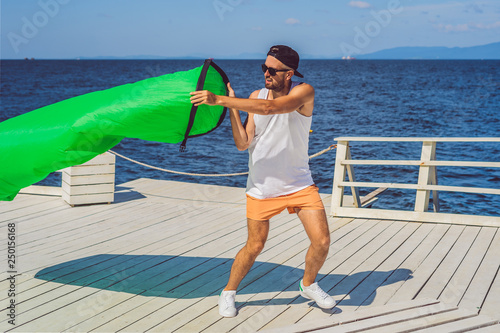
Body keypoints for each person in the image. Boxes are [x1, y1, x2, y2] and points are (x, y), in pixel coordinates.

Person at [190, 45, 335, 317]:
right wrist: (233, 107)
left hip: (299, 184)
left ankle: (308, 284)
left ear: (289, 73)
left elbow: (271, 108)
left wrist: (219, 100)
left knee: (322, 241)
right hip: (262, 187)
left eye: (272, 69)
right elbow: (243, 144)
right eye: (264, 68)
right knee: (255, 246)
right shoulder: (256, 96)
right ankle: (228, 292)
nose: (266, 73)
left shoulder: (303, 92)